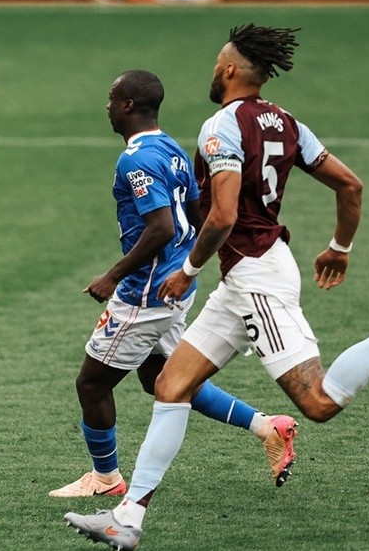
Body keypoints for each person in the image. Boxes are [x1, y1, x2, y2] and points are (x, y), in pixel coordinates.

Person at [66, 24, 369, 550]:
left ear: (232, 70)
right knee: (171, 385)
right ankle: (127, 519)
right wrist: (340, 246)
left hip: (256, 275)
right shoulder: (288, 122)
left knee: (318, 402)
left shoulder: (221, 126)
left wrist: (189, 269)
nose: (214, 70)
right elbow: (350, 185)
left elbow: (222, 215)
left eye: (219, 62)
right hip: (245, 277)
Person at [50, 69, 295, 498]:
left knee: (91, 384)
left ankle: (105, 479)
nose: (107, 106)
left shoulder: (135, 159)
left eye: (112, 98)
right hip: (175, 286)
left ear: (128, 105)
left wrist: (113, 275)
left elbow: (162, 227)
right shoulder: (172, 149)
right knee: (162, 378)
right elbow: (198, 215)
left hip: (146, 294)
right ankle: (267, 427)